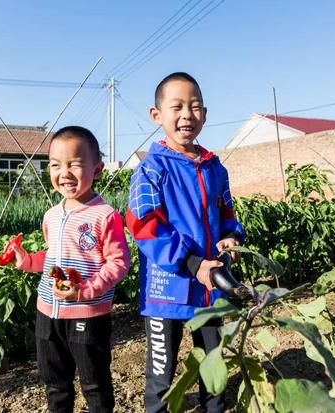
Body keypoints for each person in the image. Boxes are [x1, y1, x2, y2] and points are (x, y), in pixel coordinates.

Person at [125, 72, 245, 413]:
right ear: (156, 115)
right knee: (162, 378)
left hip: (209, 290)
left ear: (205, 114)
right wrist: (193, 263)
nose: (186, 115)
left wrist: (230, 236)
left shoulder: (214, 168)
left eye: (194, 107)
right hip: (167, 291)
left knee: (213, 367)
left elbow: (226, 212)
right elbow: (145, 226)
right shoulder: (150, 170)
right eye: (176, 106)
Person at [9, 126, 130, 413]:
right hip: (47, 313)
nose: (64, 173)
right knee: (55, 382)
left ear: (97, 170)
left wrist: (85, 291)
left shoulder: (106, 216)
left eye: (75, 164)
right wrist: (27, 260)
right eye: (55, 165)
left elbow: (118, 262)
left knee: (94, 383)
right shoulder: (52, 215)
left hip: (87, 313)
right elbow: (53, 257)